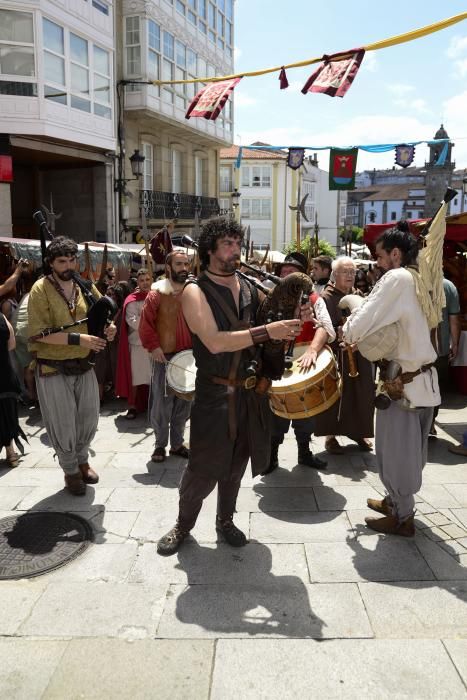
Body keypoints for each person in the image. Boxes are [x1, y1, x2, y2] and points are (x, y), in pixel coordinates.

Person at [156, 218, 308, 556]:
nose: (235, 250)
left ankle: (225, 520)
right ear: (209, 249)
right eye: (227, 244)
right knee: (203, 467)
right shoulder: (194, 291)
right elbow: (213, 341)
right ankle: (184, 524)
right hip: (214, 393)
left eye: (238, 243)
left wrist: (292, 317)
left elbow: (268, 327)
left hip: (248, 391)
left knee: (238, 462)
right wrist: (269, 332)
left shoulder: (249, 285)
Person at [343, 225, 440, 536]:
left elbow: (356, 329)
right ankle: (395, 501)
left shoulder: (397, 278)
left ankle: (402, 517)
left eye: (381, 255)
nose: (377, 262)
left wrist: (350, 316)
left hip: (403, 384)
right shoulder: (421, 277)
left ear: (396, 254)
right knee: (409, 452)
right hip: (421, 381)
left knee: (396, 453)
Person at [27, 236, 116, 495]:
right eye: (62, 261)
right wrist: (80, 338)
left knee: (88, 418)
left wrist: (109, 329)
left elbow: (103, 312)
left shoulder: (84, 285)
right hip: (53, 366)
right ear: (51, 263)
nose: (68, 265)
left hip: (84, 363)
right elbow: (37, 333)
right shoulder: (40, 289)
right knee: (63, 422)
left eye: (72, 260)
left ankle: (83, 461)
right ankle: (70, 471)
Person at [264, 251, 335, 475]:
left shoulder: (315, 300)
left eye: (291, 273)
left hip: (303, 363)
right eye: (283, 272)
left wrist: (313, 350)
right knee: (276, 414)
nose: (286, 276)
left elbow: (326, 328)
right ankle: (271, 455)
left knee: (306, 412)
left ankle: (304, 453)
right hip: (276, 364)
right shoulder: (268, 298)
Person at [314, 256, 374, 454]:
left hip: (360, 353)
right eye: (345, 272)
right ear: (334, 275)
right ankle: (330, 437)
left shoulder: (359, 295)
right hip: (337, 354)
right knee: (337, 396)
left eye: (352, 272)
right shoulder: (327, 297)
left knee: (362, 393)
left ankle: (359, 432)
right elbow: (323, 326)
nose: (350, 275)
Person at [139, 251, 193, 463]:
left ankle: (177, 444)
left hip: (188, 357)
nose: (184, 268)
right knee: (162, 404)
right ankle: (160, 445)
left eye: (186, 264)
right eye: (179, 264)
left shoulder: (193, 292)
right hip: (164, 356)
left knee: (184, 403)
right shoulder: (157, 294)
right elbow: (146, 324)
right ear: (169, 267)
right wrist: (153, 347)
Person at [115, 269, 152, 418]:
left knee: (153, 377)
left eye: (147, 279)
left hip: (154, 345)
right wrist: (150, 322)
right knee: (136, 377)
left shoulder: (157, 296)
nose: (145, 283)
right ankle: (132, 406)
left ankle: (154, 405)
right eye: (142, 280)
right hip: (138, 344)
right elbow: (132, 321)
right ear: (138, 282)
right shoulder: (132, 299)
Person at [0, 311, 26, 467]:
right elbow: (12, 344)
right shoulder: (1, 317)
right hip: (5, 373)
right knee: (7, 411)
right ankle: (11, 452)